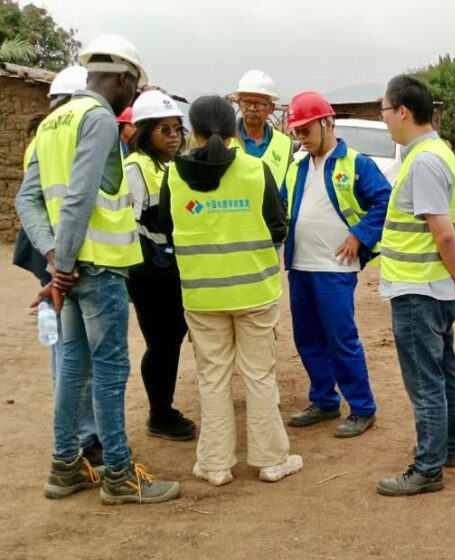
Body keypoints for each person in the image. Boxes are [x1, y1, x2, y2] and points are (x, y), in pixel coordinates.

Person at [15, 33, 181, 505]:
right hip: (100, 268)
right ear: (125, 78)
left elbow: (26, 201)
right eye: (134, 87)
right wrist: (62, 265)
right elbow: (80, 197)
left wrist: (52, 260)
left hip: (68, 268)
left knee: (72, 367)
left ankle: (65, 466)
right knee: (109, 371)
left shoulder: (51, 124)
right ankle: (120, 477)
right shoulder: (99, 120)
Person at [160, 95, 302, 486]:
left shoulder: (172, 175)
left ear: (193, 131)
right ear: (233, 126)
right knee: (259, 375)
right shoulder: (256, 171)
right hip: (254, 291)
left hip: (202, 295)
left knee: (213, 377)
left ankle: (214, 463)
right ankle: (272, 460)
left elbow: (168, 227)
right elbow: (278, 225)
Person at [376, 74, 455, 496]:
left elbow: (445, 233)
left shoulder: (424, 161)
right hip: (433, 288)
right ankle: (448, 449)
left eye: (384, 110)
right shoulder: (439, 154)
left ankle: (428, 467)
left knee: (426, 382)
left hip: (419, 290)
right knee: (442, 371)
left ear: (403, 111)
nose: (383, 119)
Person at [283, 91, 391, 438]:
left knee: (341, 338)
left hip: (336, 268)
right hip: (300, 266)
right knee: (307, 337)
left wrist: (360, 235)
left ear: (327, 122)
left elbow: (384, 200)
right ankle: (324, 400)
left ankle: (362, 408)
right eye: (296, 132)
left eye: (306, 129)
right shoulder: (297, 167)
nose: (301, 137)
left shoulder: (356, 163)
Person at [13, 66, 102, 465]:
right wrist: (59, 259)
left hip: (52, 255)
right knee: (69, 352)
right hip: (60, 257)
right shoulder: (58, 137)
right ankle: (81, 438)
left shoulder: (46, 136)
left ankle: (78, 431)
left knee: (64, 347)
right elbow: (55, 201)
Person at [124, 90, 195, 441]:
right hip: (148, 272)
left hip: (171, 268)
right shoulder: (135, 167)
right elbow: (134, 222)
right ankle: (159, 413)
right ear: (145, 131)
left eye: (176, 128)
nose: (172, 135)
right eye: (163, 129)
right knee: (161, 342)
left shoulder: (172, 167)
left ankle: (163, 408)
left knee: (173, 337)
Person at [230, 70, 292, 188]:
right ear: (238, 103)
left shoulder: (284, 144)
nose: (252, 108)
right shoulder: (224, 139)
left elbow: (290, 186)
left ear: (271, 108)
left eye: (259, 103)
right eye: (247, 102)